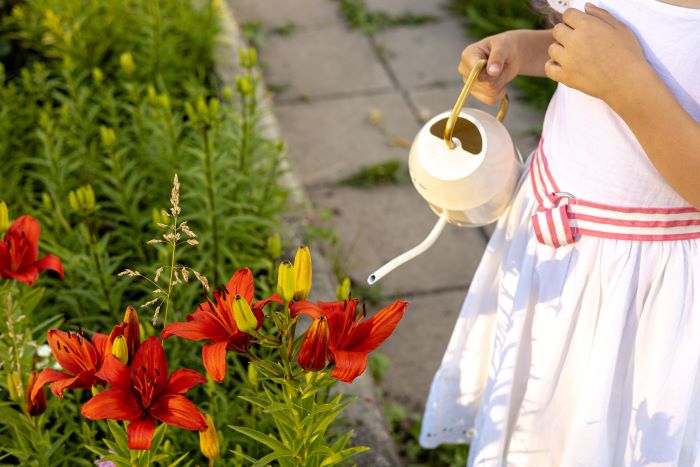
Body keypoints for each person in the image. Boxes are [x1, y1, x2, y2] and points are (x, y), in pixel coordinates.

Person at [419, 0, 700, 465]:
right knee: (542, 420)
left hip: (650, 292)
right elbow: (594, 40)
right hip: (559, 253)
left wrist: (628, 85)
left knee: (617, 432)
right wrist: (522, 51)